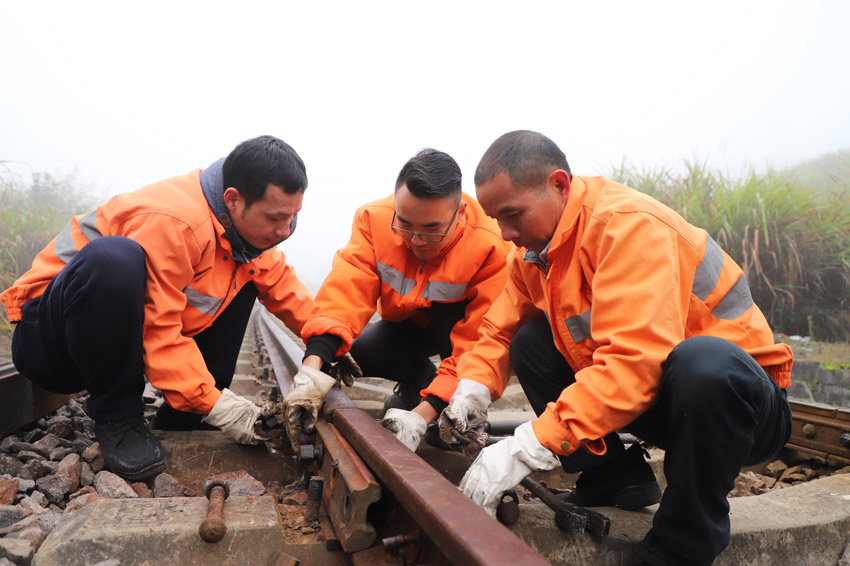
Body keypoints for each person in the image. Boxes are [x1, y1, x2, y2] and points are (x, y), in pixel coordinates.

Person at [442, 131, 793, 566]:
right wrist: (473, 385)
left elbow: (634, 362)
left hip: (740, 408)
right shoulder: (534, 256)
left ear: (559, 185)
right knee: (531, 341)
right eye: (496, 219)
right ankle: (613, 480)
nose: (506, 233)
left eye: (513, 214)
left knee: (703, 361)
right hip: (665, 401)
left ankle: (682, 545)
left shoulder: (628, 225)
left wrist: (529, 444)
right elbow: (499, 331)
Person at [1, 135, 333, 482]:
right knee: (114, 259)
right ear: (233, 200)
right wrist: (217, 404)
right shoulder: (175, 222)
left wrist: (329, 340)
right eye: (276, 218)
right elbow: (156, 328)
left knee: (249, 275)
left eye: (293, 218)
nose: (285, 231)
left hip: (106, 345)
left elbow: (288, 292)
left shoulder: (245, 234)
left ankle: (183, 415)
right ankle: (117, 416)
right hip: (49, 344)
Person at [283, 149, 511, 452]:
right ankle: (419, 380)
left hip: (457, 332)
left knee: (443, 429)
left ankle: (443, 401)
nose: (416, 239)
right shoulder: (372, 220)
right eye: (405, 225)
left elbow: (479, 343)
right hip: (408, 324)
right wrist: (310, 373)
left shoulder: (491, 244)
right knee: (360, 353)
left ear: (460, 213)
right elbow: (345, 293)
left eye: (432, 229)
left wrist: (422, 415)